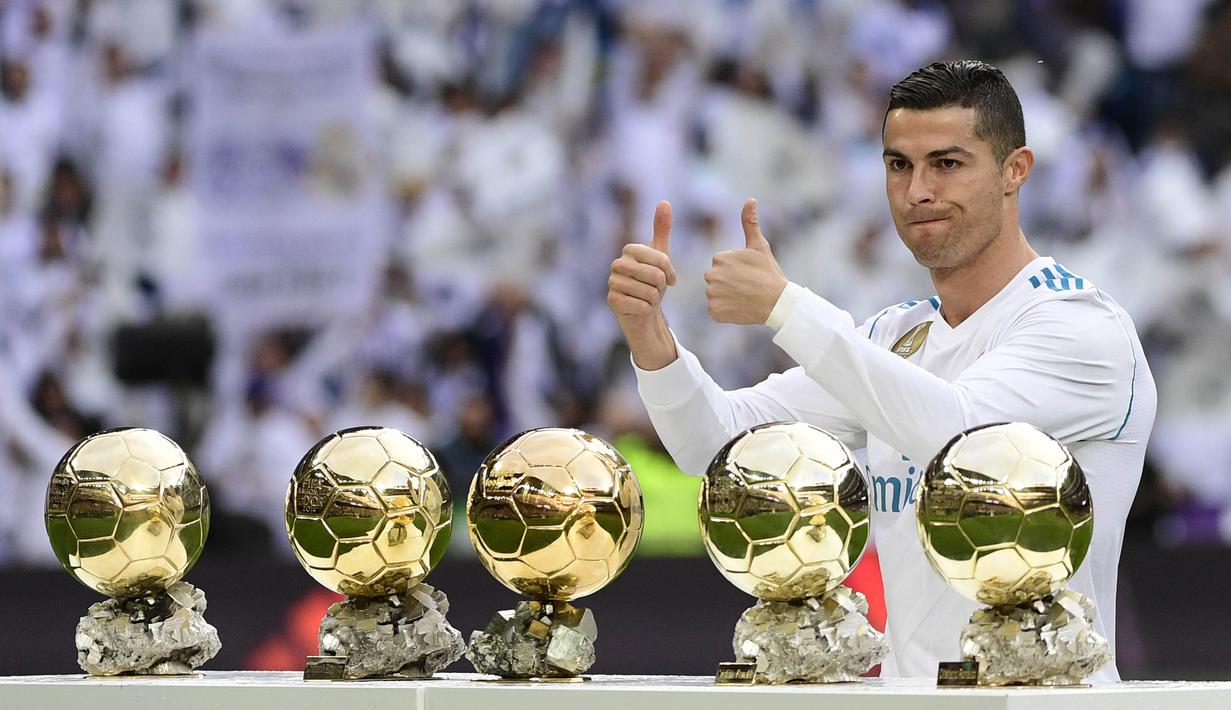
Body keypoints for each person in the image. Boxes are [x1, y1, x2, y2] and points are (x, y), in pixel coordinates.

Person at [606, 60, 1155, 680]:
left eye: (947, 163)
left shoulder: (1081, 327)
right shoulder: (894, 339)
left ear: (1015, 171)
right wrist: (651, 337)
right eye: (899, 165)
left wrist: (788, 309)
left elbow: (966, 441)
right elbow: (716, 443)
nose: (918, 190)